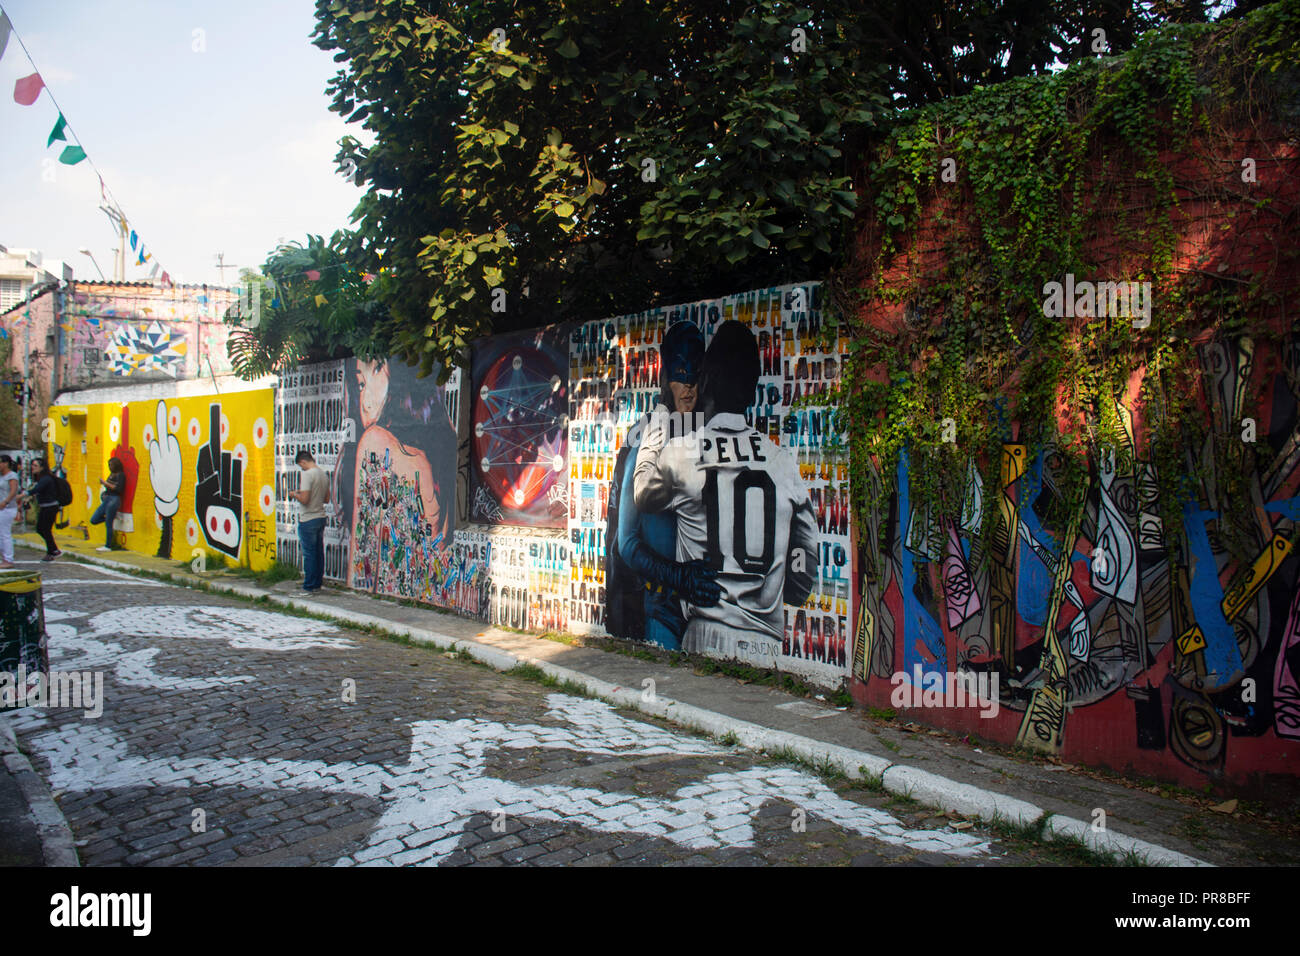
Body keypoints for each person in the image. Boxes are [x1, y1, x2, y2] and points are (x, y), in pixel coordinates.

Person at [634, 320, 818, 660]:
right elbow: (801, 584)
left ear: (706, 382)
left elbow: (643, 493)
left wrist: (657, 423)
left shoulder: (682, 453)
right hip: (769, 646)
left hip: (706, 630)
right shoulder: (784, 464)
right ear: (751, 392)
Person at [605, 321, 720, 649]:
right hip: (663, 609)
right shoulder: (648, 437)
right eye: (679, 372)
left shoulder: (708, 432)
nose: (688, 385)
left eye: (695, 372)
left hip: (708, 611)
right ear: (665, 375)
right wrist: (679, 577)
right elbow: (626, 543)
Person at [291, 449, 330, 593]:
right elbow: (326, 499)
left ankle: (309, 585)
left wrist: (295, 494)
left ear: (303, 461)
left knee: (309, 554)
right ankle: (317, 583)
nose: (301, 468)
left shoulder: (307, 475)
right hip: (320, 516)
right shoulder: (323, 475)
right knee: (319, 552)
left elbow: (305, 500)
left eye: (301, 465)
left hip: (308, 518)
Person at [18, 457, 62, 562]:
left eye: (35, 466)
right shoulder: (41, 478)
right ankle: (52, 550)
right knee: (41, 529)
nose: (33, 468)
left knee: (45, 529)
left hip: (50, 507)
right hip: (45, 507)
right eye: (32, 465)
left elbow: (36, 489)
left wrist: (23, 495)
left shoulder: (46, 478)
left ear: (42, 467)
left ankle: (53, 551)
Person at [89, 457, 126, 551]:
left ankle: (108, 546)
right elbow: (109, 488)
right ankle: (111, 517)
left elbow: (118, 489)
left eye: (111, 465)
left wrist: (105, 484)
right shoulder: (111, 474)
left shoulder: (121, 475)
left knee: (109, 524)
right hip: (107, 499)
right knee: (94, 519)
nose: (109, 467)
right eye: (109, 465)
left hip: (114, 500)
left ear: (116, 465)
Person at [0, 455, 19, 568]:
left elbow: (13, 491)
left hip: (7, 508)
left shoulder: (12, 476)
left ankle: (8, 559)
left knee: (5, 534)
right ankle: (4, 557)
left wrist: (5, 502)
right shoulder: (1, 476)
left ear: (6, 463)